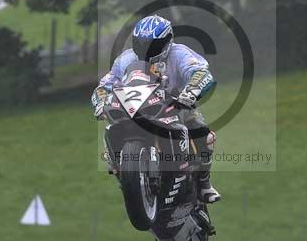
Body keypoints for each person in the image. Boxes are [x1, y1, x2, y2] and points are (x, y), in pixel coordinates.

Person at [91, 14, 221, 203]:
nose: (146, 49)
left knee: (202, 132)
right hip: (134, 108)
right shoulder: (125, 59)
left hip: (175, 106)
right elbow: (106, 84)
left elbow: (200, 72)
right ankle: (121, 168)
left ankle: (204, 183)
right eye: (141, 44)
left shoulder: (181, 54)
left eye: (152, 45)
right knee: (111, 127)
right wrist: (101, 101)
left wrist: (190, 93)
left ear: (168, 41)